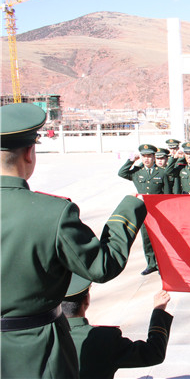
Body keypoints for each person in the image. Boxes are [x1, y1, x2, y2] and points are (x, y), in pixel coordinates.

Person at [1, 103, 147, 378]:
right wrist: (128, 210)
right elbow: (101, 266)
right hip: (38, 350)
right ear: (29, 153)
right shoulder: (51, 213)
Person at [62, 275, 173, 379]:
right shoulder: (104, 338)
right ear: (86, 300)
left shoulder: (51, 336)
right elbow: (153, 353)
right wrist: (159, 309)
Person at [118, 144, 170, 275]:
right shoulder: (137, 172)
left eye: (149, 156)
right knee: (146, 238)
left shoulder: (162, 172)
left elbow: (167, 194)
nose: (146, 159)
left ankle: (161, 264)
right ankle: (151, 264)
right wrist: (131, 160)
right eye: (144, 156)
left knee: (161, 239)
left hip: (158, 211)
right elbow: (122, 173)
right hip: (143, 211)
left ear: (154, 157)